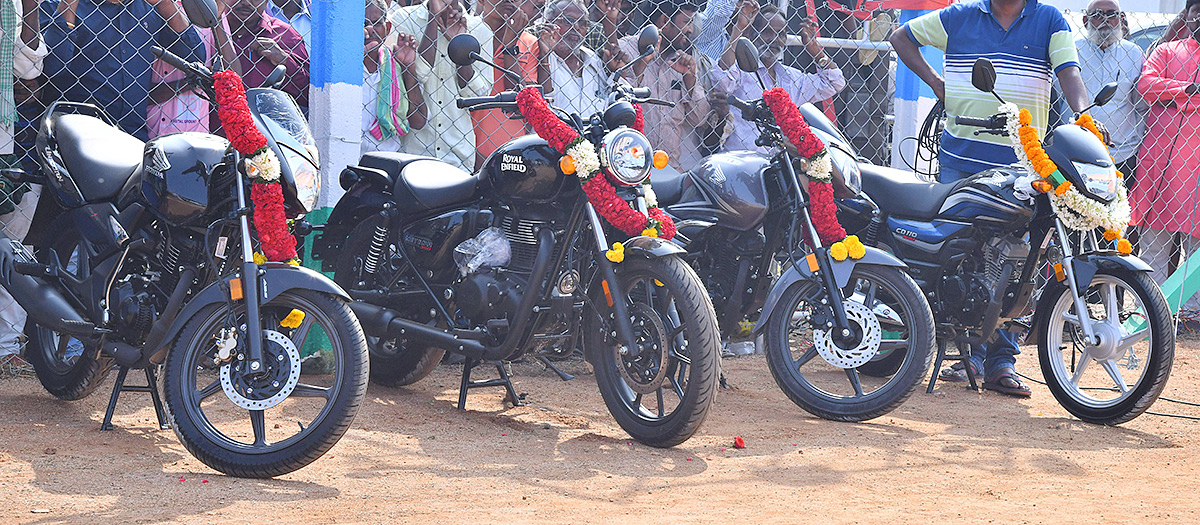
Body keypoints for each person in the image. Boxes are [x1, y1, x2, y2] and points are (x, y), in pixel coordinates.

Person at [891, 0, 1092, 398]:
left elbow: (1069, 72)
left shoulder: (1049, 19)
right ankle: (968, 356)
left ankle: (1002, 361)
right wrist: (935, 82)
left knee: (1021, 261)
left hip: (1024, 162)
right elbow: (901, 38)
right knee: (962, 257)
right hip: (961, 159)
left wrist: (1084, 116)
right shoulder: (959, 15)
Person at [41, 0, 206, 141]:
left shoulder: (148, 8)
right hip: (74, 132)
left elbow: (195, 57)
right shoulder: (58, 5)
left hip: (133, 134)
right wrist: (69, 6)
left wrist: (166, 5)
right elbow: (52, 67)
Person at [1130, 0, 1200, 314]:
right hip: (1162, 161)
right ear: (1186, 14)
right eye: (1196, 10)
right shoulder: (1168, 50)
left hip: (1194, 163)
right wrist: (1186, 90)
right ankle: (1149, 309)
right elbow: (1146, 85)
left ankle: (1191, 311)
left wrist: (1171, 99)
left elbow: (1159, 90)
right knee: (1155, 240)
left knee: (1196, 245)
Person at [716, 1, 845, 154]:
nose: (774, 39)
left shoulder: (791, 78)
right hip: (740, 160)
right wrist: (739, 29)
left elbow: (835, 82)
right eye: (767, 32)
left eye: (780, 34)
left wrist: (814, 48)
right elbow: (721, 82)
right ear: (753, 34)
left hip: (781, 168)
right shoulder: (740, 69)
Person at [390, 0, 492, 171]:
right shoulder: (403, 19)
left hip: (457, 152)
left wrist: (459, 44)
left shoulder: (480, 30)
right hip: (413, 151)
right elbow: (418, 76)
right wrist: (433, 18)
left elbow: (477, 97)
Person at [0, 0, 45, 367]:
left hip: (7, 142)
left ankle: (7, 348)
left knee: (13, 246)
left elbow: (28, 73)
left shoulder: (11, 7)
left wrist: (30, 5)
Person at [617, 0, 710, 172]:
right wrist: (642, 64)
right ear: (665, 21)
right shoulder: (627, 49)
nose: (690, 30)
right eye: (686, 22)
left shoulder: (683, 60)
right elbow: (618, 104)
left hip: (671, 169)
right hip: (629, 166)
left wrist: (690, 80)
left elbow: (700, 119)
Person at [1073, 0, 1146, 191]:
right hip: (1077, 150)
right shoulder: (1072, 51)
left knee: (1118, 214)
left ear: (1121, 19)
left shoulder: (1134, 53)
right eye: (1097, 15)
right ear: (1085, 20)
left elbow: (1140, 105)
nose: (1104, 20)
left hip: (1123, 152)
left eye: (1111, 14)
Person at [147, 5, 240, 138]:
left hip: (198, 129)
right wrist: (193, 80)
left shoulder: (208, 8)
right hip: (156, 126)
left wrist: (216, 18)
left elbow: (234, 74)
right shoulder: (157, 7)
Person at [472, 0, 538, 167]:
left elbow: (518, 96)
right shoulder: (465, 32)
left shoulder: (529, 41)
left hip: (512, 150)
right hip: (467, 145)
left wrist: (510, 45)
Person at [362, 0, 425, 156]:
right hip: (347, 158)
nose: (369, 30)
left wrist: (408, 68)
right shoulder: (341, 67)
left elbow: (419, 121)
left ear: (387, 28)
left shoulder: (395, 64)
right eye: (363, 24)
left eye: (376, 23)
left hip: (386, 161)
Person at [224, 0, 310, 109]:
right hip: (214, 122)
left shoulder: (285, 35)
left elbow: (308, 96)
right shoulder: (208, 32)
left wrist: (285, 61)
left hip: (266, 123)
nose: (246, 2)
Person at [536, 0, 605, 119]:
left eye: (583, 23)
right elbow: (544, 100)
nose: (576, 27)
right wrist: (544, 56)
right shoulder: (539, 55)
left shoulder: (593, 59)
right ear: (549, 24)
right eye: (568, 20)